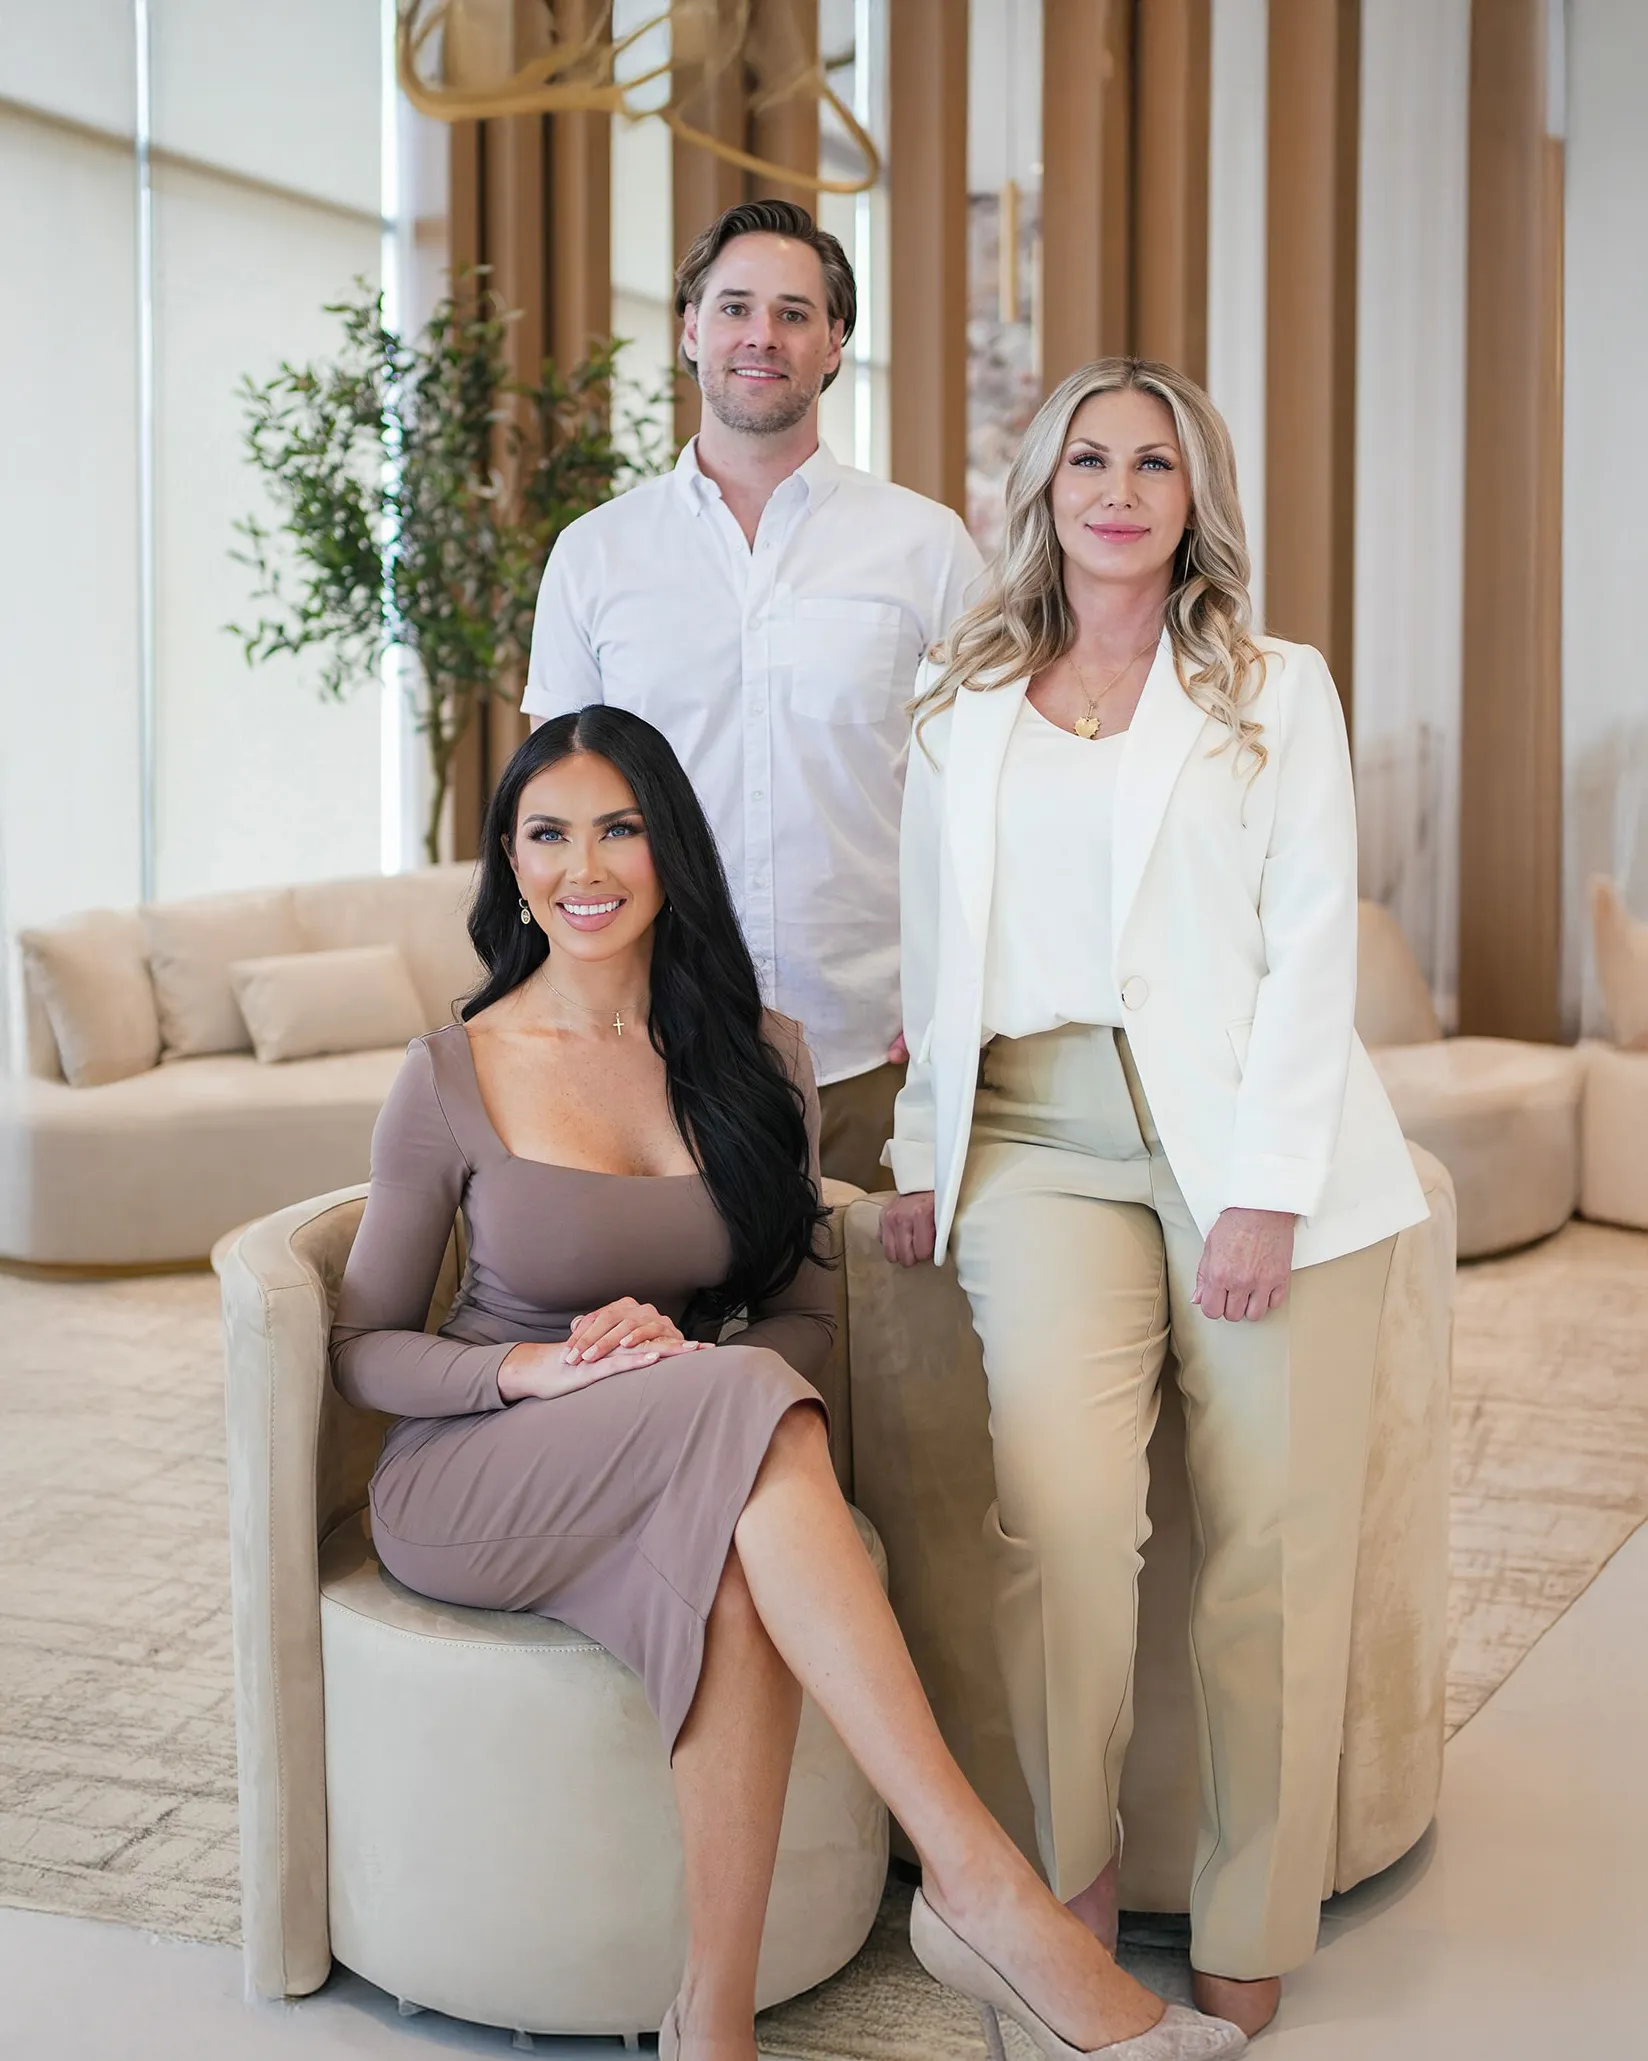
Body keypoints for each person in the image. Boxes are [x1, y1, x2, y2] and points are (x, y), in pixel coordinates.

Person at [330, 708, 1246, 2061]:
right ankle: (985, 1890)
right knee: (735, 1412)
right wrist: (540, 1367)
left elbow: (804, 1312)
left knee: (748, 1567)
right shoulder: (451, 1072)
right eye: (547, 833)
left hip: (692, 1440)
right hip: (477, 1474)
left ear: (669, 850)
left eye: (619, 827)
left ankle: (713, 2024)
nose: (584, 866)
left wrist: (688, 1373)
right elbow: (364, 1351)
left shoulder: (763, 1055)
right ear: (510, 867)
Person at [880, 359, 1431, 2038]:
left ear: (1195, 497)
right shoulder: (955, 694)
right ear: (1039, 488)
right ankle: (1067, 1879)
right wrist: (920, 1156)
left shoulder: (1274, 688)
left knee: (1270, 1537)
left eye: (1154, 463)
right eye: (1087, 459)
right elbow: (931, 951)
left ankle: (1251, 1910)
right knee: (1058, 1522)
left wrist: (1260, 1193)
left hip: (1253, 1146)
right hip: (1034, 1145)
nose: (1117, 489)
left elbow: (1307, 946)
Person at [523, 199, 983, 1193]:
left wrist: (960, 992)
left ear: (833, 346)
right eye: (734, 308)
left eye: (792, 313)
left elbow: (990, 791)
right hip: (651, 1040)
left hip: (877, 1046)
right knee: (671, 1338)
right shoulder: (596, 555)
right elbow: (551, 813)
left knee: (882, 1343)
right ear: (689, 329)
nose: (759, 337)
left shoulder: (926, 547)